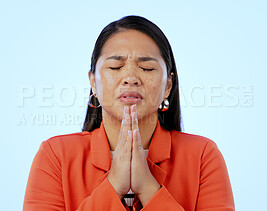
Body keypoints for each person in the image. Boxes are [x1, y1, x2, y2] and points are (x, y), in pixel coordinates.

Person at [23, 15, 235, 211]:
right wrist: (114, 184)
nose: (131, 77)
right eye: (115, 67)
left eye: (147, 68)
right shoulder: (56, 155)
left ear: (168, 85)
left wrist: (148, 188)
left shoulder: (202, 155)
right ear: (93, 82)